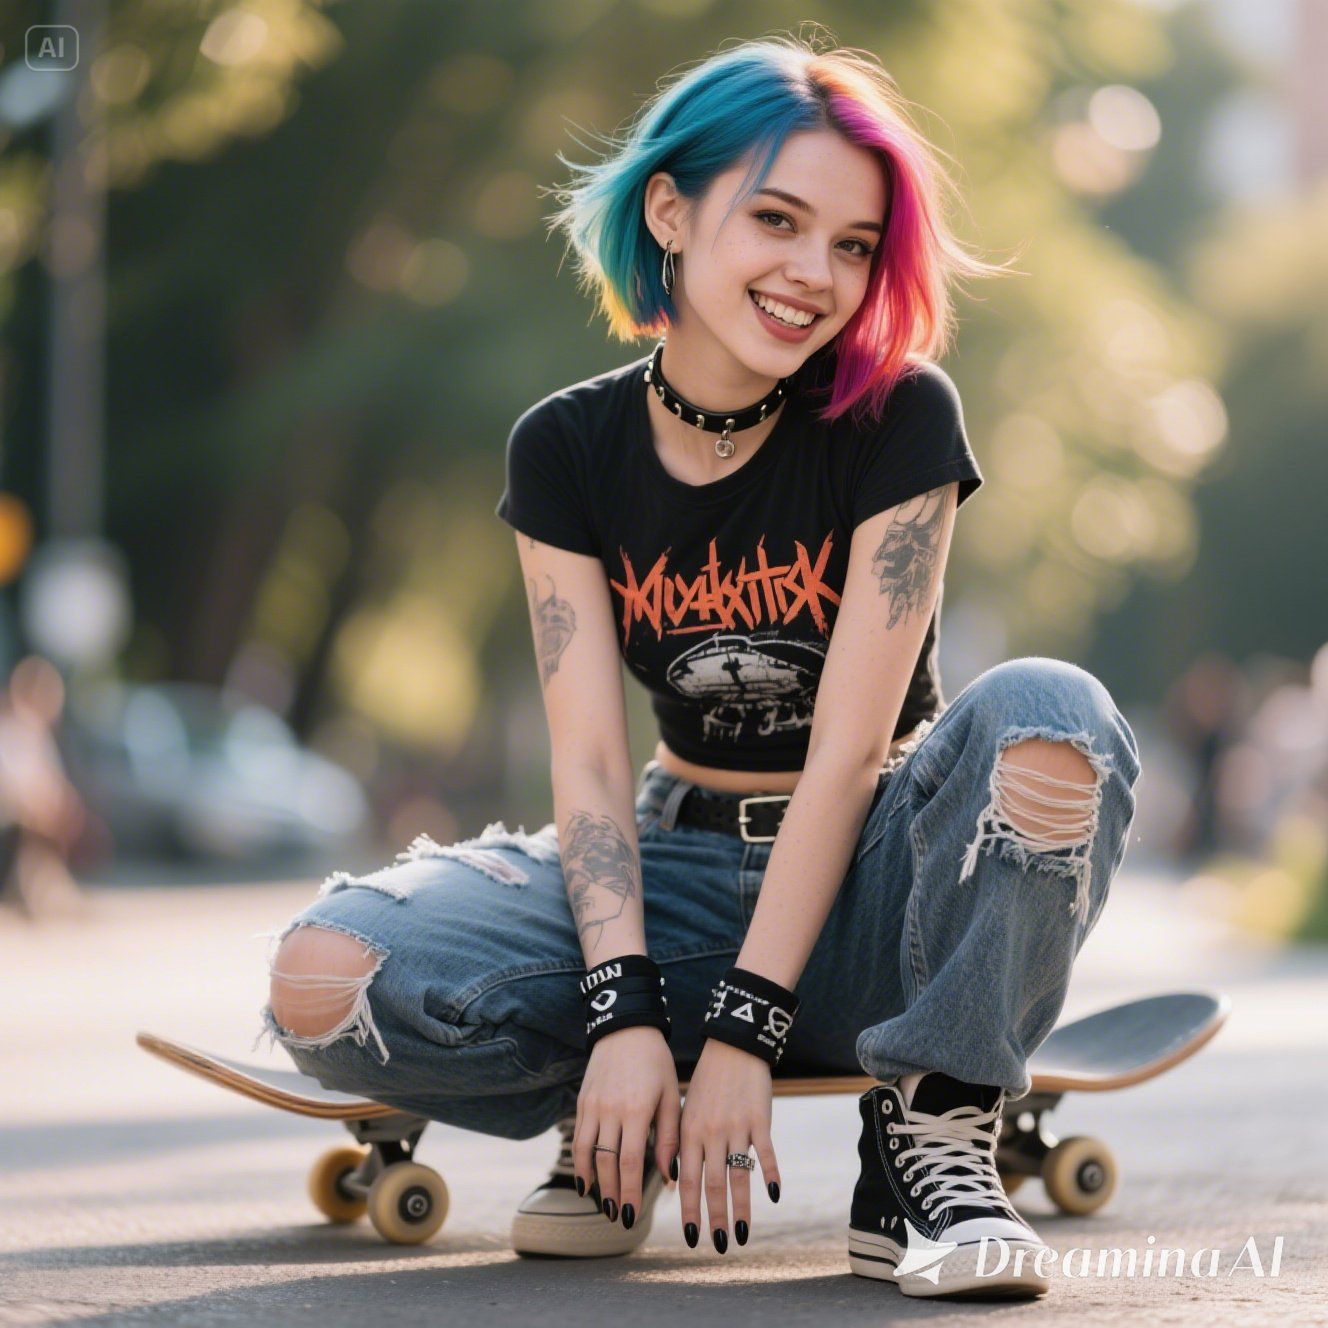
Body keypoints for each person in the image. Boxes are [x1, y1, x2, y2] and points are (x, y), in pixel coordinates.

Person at [256, 34, 1140, 1300]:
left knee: (1054, 713)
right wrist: (620, 1015)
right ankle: (617, 1110)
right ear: (668, 209)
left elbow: (847, 749)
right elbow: (588, 755)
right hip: (672, 870)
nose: (813, 274)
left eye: (850, 244)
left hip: (876, 881)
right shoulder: (565, 447)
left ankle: (931, 1138)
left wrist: (742, 1031)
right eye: (775, 219)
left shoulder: (899, 417)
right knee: (321, 976)